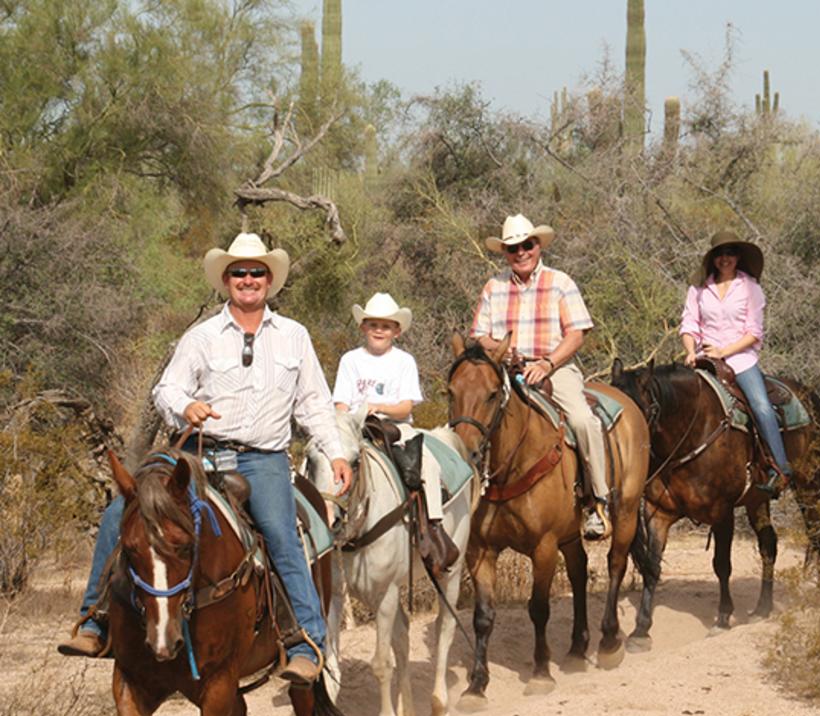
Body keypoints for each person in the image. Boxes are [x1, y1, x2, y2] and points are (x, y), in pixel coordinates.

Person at [58, 232, 352, 686]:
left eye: (256, 271)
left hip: (263, 458)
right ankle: (94, 621)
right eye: (239, 272)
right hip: (198, 455)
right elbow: (167, 389)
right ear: (226, 280)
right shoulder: (202, 336)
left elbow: (314, 402)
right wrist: (186, 408)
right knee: (121, 511)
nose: (248, 279)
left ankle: (304, 643)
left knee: (280, 533)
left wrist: (335, 452)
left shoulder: (294, 336)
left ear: (270, 280)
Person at [470, 213, 611, 540]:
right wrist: (504, 351)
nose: (520, 252)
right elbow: (478, 336)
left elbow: (576, 334)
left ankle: (596, 501)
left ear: (538, 246)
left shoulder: (560, 283)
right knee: (471, 417)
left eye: (526, 245)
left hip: (554, 367)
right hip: (505, 368)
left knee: (581, 419)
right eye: (512, 248)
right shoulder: (494, 287)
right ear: (504, 252)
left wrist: (546, 364)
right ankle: (472, 495)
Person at [680, 231, 792, 496]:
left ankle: (780, 467)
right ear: (712, 259)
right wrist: (689, 351)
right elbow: (688, 324)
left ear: (738, 257)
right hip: (704, 358)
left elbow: (754, 332)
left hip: (740, 360)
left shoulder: (750, 288)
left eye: (730, 253)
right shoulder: (698, 289)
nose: (725, 258)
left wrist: (724, 351)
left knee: (762, 406)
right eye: (719, 254)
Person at [332, 292, 449, 544]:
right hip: (356, 427)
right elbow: (341, 404)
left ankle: (433, 525)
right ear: (363, 327)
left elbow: (406, 407)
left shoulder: (404, 361)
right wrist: (349, 423)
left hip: (395, 427)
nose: (379, 330)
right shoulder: (350, 360)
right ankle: (326, 518)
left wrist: (379, 406)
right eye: (373, 325)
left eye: (385, 326)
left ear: (397, 331)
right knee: (324, 460)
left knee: (427, 463)